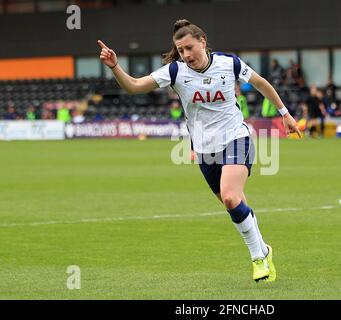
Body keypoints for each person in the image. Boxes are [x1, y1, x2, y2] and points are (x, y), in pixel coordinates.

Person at [98, 19, 301, 282]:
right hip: (205, 149)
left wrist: (285, 114)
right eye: (181, 50)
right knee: (235, 204)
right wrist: (115, 66)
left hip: (236, 137)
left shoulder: (230, 64)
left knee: (230, 197)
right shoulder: (175, 72)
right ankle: (264, 249)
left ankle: (258, 258)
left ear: (203, 42)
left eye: (189, 48)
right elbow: (134, 86)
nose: (186, 55)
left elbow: (261, 83)